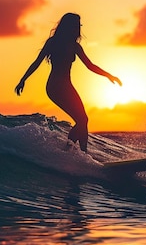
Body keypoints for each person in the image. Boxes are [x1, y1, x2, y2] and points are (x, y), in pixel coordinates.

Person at [15, 12, 122, 152]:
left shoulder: (74, 46)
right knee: (82, 119)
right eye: (76, 25)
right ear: (68, 26)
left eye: (79, 26)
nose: (78, 29)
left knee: (82, 119)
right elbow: (37, 62)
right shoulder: (53, 43)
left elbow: (90, 65)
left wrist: (109, 75)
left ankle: (77, 152)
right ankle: (78, 153)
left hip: (66, 86)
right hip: (55, 87)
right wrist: (23, 80)